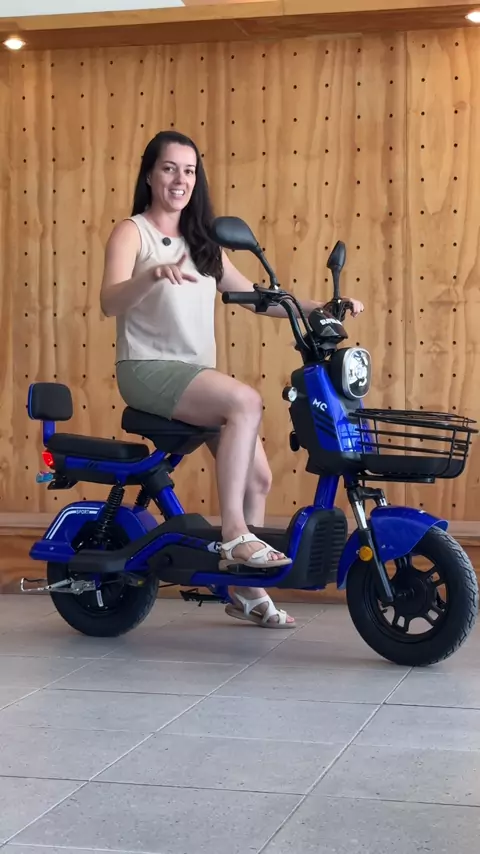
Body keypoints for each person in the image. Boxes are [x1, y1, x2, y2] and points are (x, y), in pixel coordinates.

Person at [100, 130, 364, 629]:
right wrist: (150, 275)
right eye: (169, 168)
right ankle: (235, 535)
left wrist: (320, 307)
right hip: (145, 368)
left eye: (189, 170)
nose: (180, 179)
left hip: (193, 373)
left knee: (259, 477)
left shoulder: (204, 243)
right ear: (150, 174)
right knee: (244, 401)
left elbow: (259, 297)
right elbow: (109, 301)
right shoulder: (132, 233)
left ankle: (244, 589)